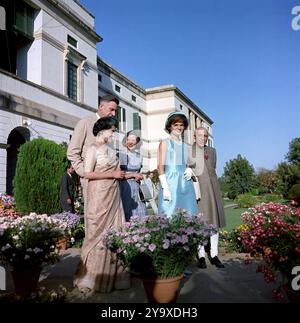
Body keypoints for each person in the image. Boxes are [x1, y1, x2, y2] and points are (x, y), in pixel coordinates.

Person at [73, 116, 129, 293]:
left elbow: (117, 173)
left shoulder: (111, 150)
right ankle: (91, 278)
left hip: (113, 195)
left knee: (116, 232)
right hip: (98, 195)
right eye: (112, 131)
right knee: (96, 234)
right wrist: (112, 175)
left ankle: (114, 277)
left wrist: (129, 175)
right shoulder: (92, 149)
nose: (113, 135)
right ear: (103, 129)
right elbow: (87, 174)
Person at [67, 94, 119, 232]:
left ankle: (108, 251)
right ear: (101, 106)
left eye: (115, 111)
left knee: (109, 220)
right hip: (91, 180)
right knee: (94, 219)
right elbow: (72, 151)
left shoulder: (111, 128)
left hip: (109, 182)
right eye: (111, 109)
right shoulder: (85, 123)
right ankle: (93, 251)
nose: (113, 113)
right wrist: (84, 173)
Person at [185, 127, 226, 268]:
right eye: (200, 135)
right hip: (198, 191)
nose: (203, 138)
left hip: (213, 189)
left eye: (206, 135)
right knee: (200, 223)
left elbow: (213, 167)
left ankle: (214, 255)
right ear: (195, 137)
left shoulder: (212, 151)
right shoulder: (188, 150)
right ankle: (201, 255)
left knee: (214, 222)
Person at [157, 112, 198, 218]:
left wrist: (189, 169)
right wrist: (165, 187)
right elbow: (160, 167)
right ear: (170, 126)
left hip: (185, 183)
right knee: (170, 214)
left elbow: (188, 163)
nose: (179, 127)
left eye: (181, 125)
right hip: (171, 183)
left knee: (189, 214)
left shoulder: (185, 145)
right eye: (176, 125)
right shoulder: (165, 143)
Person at [117, 130, 147, 221]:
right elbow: (119, 175)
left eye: (133, 140)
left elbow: (139, 172)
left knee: (140, 210)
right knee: (128, 211)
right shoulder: (121, 154)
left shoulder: (140, 156)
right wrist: (133, 174)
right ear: (125, 141)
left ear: (137, 141)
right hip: (125, 186)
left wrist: (140, 176)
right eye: (128, 139)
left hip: (137, 187)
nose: (130, 142)